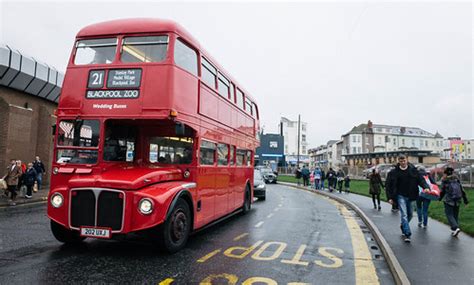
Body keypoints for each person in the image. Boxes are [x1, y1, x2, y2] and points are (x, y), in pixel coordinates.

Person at [388, 155, 430, 243]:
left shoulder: (413, 171)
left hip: (411, 195)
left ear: (407, 161)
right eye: (401, 161)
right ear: (399, 161)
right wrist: (390, 197)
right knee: (404, 214)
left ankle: (403, 226)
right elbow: (389, 186)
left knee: (410, 214)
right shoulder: (394, 172)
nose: (403, 163)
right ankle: (407, 234)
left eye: (404, 161)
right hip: (400, 196)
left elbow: (421, 180)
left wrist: (425, 187)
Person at [440, 167, 469, 237]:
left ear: (445, 173)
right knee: (455, 215)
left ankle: (456, 228)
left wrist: (439, 198)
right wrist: (465, 200)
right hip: (457, 200)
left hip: (448, 200)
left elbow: (442, 191)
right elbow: (462, 190)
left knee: (449, 214)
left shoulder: (445, 181)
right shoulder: (457, 180)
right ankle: (454, 230)